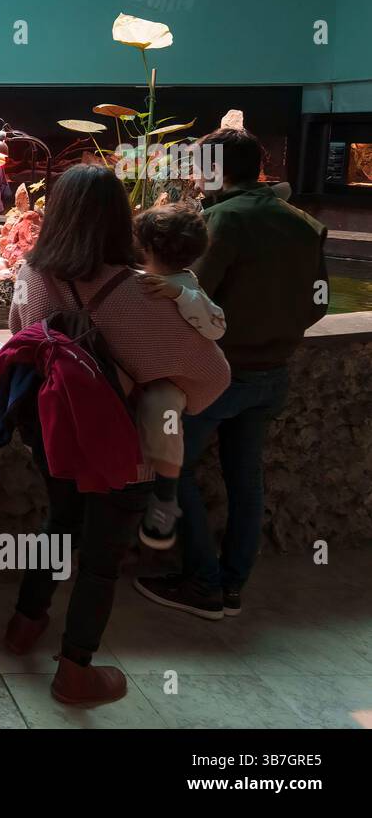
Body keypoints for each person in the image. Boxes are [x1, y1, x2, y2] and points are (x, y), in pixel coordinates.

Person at [1, 165, 228, 705]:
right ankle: (75, 671)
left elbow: (21, 338)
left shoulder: (34, 275)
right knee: (101, 561)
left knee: (58, 525)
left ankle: (25, 624)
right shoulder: (143, 294)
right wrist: (161, 391)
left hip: (56, 437)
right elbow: (213, 374)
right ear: (120, 220)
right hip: (124, 450)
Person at [135, 129, 328, 620]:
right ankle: (233, 585)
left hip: (219, 377)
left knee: (171, 471)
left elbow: (192, 296)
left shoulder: (221, 220)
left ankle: (204, 583)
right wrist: (275, 335)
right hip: (273, 372)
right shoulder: (304, 223)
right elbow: (318, 302)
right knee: (246, 480)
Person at [131, 203, 226, 549]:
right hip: (141, 373)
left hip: (168, 382)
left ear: (146, 247)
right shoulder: (137, 280)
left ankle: (164, 501)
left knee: (165, 411)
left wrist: (181, 296)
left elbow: (216, 326)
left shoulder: (186, 286)